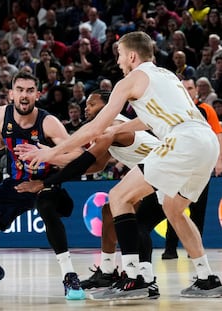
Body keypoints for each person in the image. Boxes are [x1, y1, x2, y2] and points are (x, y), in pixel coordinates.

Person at [20, 31, 222, 299]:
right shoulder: (167, 76)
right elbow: (149, 121)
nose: (117, 61)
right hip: (206, 141)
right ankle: (207, 278)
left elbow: (95, 128)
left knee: (118, 197)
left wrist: (52, 152)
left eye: (118, 55)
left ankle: (136, 277)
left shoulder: (130, 80)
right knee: (174, 210)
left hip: (182, 142)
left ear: (131, 55)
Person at [15, 89, 163, 297]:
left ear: (108, 105)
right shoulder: (106, 131)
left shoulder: (114, 126)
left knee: (133, 221)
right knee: (109, 212)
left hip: (167, 174)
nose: (86, 108)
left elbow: (84, 162)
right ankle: (108, 272)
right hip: (152, 177)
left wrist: (45, 179)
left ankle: (146, 279)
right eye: (86, 105)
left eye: (91, 104)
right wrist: (48, 161)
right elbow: (95, 165)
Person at [0, 71, 85, 300]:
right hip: (15, 184)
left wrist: (46, 155)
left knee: (45, 206)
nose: (24, 95)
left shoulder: (49, 122)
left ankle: (69, 276)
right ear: (11, 94)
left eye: (30, 90)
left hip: (45, 183)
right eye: (20, 90)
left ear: (38, 94)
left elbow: (78, 156)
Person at [162, 78, 222, 259]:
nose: (187, 91)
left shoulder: (206, 109)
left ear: (196, 90)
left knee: (198, 209)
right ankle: (170, 249)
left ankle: (193, 250)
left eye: (189, 88)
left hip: (200, 167)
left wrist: (219, 161)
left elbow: (217, 134)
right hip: (178, 166)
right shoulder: (172, 109)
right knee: (172, 207)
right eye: (183, 88)